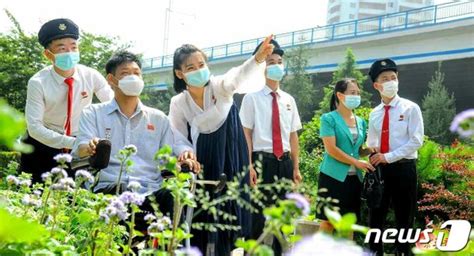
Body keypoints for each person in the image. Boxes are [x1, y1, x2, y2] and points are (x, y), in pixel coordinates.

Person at [168, 35, 275, 256]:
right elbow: (177, 136)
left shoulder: (219, 87)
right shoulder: (179, 102)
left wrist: (256, 59)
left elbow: (235, 77)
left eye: (201, 64)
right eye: (191, 67)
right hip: (203, 160)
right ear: (180, 73)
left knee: (230, 214)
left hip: (231, 155)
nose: (199, 70)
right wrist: (186, 154)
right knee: (203, 217)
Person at [73, 51, 199, 222]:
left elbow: (166, 161)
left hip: (149, 190)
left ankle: (176, 249)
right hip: (109, 188)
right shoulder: (93, 113)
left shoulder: (159, 118)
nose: (133, 77)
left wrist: (180, 163)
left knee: (174, 196)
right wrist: (90, 147)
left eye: (136, 73)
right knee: (121, 191)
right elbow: (80, 149)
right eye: (125, 73)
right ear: (111, 80)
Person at [21, 18, 114, 183]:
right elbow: (34, 127)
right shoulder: (38, 82)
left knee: (75, 197)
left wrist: (96, 137)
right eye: (62, 48)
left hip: (80, 146)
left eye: (73, 47)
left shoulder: (91, 75)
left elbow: (114, 106)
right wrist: (75, 142)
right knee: (36, 195)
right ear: (48, 54)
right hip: (43, 144)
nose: (69, 52)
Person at [238, 39, 302, 255]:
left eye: (279, 61)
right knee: (257, 218)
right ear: (261, 67)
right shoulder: (251, 98)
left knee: (282, 220)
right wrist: (249, 166)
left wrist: (296, 167)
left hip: (283, 162)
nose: (276, 65)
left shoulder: (289, 100)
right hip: (260, 161)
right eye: (270, 61)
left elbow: (293, 135)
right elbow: (245, 134)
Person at [367, 59, 424, 255]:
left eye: (394, 77)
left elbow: (417, 141)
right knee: (376, 217)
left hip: (404, 168)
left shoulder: (410, 108)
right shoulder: (374, 113)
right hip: (381, 171)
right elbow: (371, 142)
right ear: (377, 85)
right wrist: (369, 153)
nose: (391, 81)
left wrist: (388, 157)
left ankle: (403, 252)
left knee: (404, 219)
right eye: (385, 79)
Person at [316, 78, 375, 239]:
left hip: (354, 179)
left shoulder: (361, 122)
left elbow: (357, 150)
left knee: (349, 224)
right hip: (332, 177)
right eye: (352, 93)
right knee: (328, 222)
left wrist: (370, 150)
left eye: (358, 93)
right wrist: (356, 162)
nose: (356, 96)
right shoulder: (328, 119)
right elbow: (331, 149)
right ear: (340, 96)